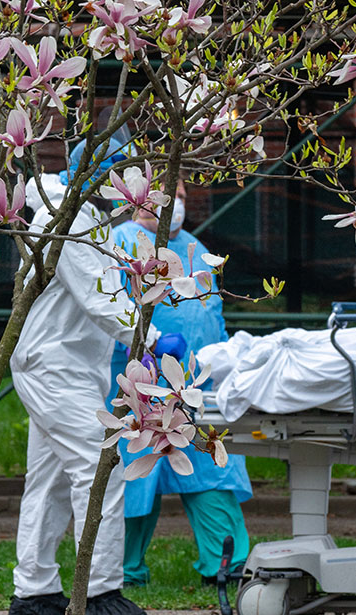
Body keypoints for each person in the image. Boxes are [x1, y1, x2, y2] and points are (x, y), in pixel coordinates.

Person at [8, 137, 152, 615]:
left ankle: (34, 592)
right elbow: (100, 297)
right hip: (54, 368)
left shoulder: (87, 220)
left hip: (60, 366)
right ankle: (101, 592)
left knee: (47, 483)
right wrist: (149, 337)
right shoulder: (67, 221)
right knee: (100, 470)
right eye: (127, 177)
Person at [107, 178, 253, 588]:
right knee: (138, 480)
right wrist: (146, 349)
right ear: (138, 203)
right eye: (169, 199)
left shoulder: (198, 253)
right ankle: (119, 570)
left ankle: (228, 564)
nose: (179, 205)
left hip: (197, 388)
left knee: (209, 469)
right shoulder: (118, 244)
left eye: (184, 198)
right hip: (139, 388)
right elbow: (108, 311)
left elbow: (213, 322)